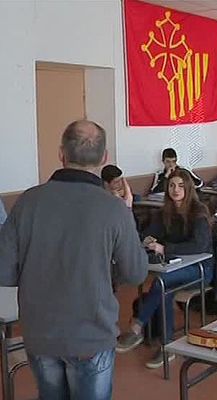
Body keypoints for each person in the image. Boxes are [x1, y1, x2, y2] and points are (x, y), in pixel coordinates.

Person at [0, 120, 147, 399]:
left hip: (40, 331)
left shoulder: (27, 202)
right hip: (91, 333)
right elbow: (136, 272)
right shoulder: (113, 209)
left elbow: (3, 271)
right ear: (104, 158)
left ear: (61, 154)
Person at [117, 169, 214, 368]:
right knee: (164, 290)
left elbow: (199, 246)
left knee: (162, 283)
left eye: (180, 186)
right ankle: (166, 346)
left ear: (188, 188)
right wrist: (148, 239)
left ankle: (137, 327)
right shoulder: (165, 213)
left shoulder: (199, 211)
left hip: (201, 268)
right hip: (173, 268)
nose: (175, 190)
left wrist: (165, 247)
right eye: (171, 185)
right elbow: (147, 233)